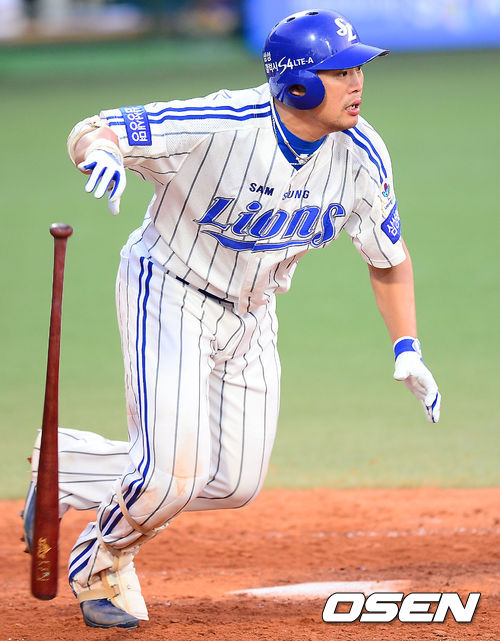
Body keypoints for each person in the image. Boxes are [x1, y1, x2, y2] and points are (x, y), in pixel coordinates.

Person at [23, 8, 441, 629]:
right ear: (298, 83)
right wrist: (100, 153)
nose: (358, 83)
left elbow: (388, 258)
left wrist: (408, 347)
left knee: (230, 482)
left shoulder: (361, 155)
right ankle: (100, 563)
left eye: (359, 69)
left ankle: (68, 466)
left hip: (253, 313)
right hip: (169, 290)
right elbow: (97, 129)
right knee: (170, 479)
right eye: (340, 71)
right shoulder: (219, 123)